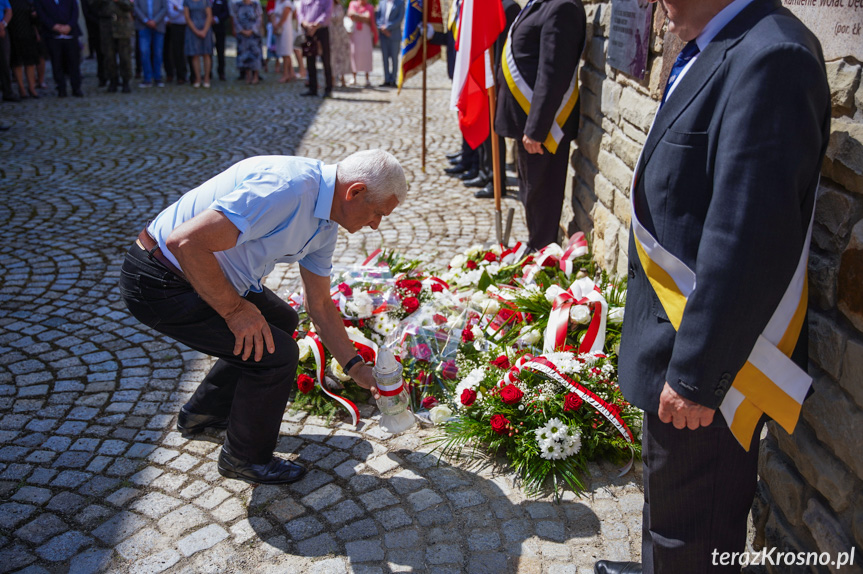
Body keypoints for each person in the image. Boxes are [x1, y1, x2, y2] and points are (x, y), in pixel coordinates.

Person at [592, 1, 831, 573]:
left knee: (690, 540)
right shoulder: (721, 44)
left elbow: (748, 235)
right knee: (671, 520)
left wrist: (696, 376)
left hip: (712, 371)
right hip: (683, 347)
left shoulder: (773, 55)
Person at [119, 149, 407, 485]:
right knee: (277, 355)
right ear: (354, 191)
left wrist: (356, 368)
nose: (375, 225)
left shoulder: (326, 223)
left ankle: (202, 414)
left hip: (207, 272)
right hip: (161, 279)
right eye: (376, 213)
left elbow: (320, 305)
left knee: (281, 321)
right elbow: (185, 242)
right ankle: (244, 458)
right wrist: (236, 312)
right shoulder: (288, 188)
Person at [494, 0, 585, 250]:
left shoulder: (562, 7)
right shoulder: (541, 3)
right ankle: (537, 248)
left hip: (544, 128)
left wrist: (536, 129)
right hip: (527, 122)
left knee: (541, 196)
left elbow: (553, 72)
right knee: (531, 194)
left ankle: (543, 254)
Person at [34, 0, 83, 97]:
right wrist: (54, 26)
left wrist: (69, 26)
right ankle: (61, 88)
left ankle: (76, 87)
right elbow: (41, 14)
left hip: (70, 33)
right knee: (57, 63)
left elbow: (75, 11)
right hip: (52, 35)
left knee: (73, 62)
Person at [92, 0, 134, 93]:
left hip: (122, 24)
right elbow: (93, 6)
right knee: (108, 55)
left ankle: (126, 80)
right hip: (106, 24)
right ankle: (112, 80)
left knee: (125, 56)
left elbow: (130, 6)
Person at [296, 0, 332, 97]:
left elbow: (327, 13)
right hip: (308, 31)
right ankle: (312, 88)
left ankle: (328, 88)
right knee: (310, 59)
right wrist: (306, 24)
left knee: (326, 60)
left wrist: (315, 25)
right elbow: (300, 12)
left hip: (322, 30)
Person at [7, 0, 40, 98]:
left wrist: (37, 31)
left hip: (28, 33)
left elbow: (34, 18)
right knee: (17, 63)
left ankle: (31, 87)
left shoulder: (27, 1)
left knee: (30, 62)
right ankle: (21, 88)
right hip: (13, 34)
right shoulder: (8, 1)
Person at [133, 0, 167, 87]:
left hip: (158, 26)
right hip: (143, 26)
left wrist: (155, 21)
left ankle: (157, 77)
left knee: (158, 53)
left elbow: (164, 8)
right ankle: (147, 78)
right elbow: (135, 7)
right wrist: (145, 20)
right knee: (144, 51)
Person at [183, 0, 212, 87]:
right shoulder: (187, 1)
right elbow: (187, 17)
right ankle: (198, 78)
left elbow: (209, 16)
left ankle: (206, 78)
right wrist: (196, 31)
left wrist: (204, 30)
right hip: (192, 29)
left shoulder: (205, 1)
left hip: (205, 29)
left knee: (206, 54)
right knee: (195, 54)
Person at [374, 0, 401, 87]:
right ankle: (386, 79)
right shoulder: (382, 3)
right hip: (383, 35)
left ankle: (393, 79)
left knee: (394, 58)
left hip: (394, 35)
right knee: (385, 58)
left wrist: (388, 27)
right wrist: (382, 28)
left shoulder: (399, 3)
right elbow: (378, 17)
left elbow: (399, 18)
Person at [233, 0, 262, 84]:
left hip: (254, 35)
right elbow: (235, 19)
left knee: (255, 54)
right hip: (242, 35)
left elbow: (259, 19)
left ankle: (255, 76)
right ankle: (247, 76)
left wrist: (252, 30)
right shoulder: (237, 5)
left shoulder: (255, 5)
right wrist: (242, 30)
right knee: (244, 55)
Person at [346, 0, 374, 87]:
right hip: (356, 33)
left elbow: (369, 19)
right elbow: (351, 14)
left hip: (365, 34)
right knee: (354, 53)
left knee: (366, 54)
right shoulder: (353, 4)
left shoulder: (370, 7)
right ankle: (354, 77)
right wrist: (363, 17)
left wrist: (357, 16)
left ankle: (367, 78)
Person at [164, 0, 186, 84]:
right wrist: (182, 10)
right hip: (172, 26)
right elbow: (171, 14)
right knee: (174, 51)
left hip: (186, 26)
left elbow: (188, 11)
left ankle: (185, 74)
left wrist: (178, 9)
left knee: (185, 52)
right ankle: (174, 74)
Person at [271, 0, 294, 82]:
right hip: (279, 30)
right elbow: (273, 13)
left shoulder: (287, 3)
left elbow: (284, 17)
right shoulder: (278, 2)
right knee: (283, 52)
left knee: (286, 53)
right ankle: (291, 73)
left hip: (285, 30)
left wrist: (277, 26)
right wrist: (274, 24)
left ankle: (286, 74)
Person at [327, 0, 348, 87]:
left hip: (340, 35)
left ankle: (342, 77)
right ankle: (332, 78)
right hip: (331, 35)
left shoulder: (340, 7)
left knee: (342, 56)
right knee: (332, 57)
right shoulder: (327, 7)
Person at [210, 0, 228, 80]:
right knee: (208, 51)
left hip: (219, 28)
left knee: (220, 51)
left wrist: (216, 19)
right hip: (207, 28)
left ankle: (221, 72)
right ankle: (208, 72)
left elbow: (226, 12)